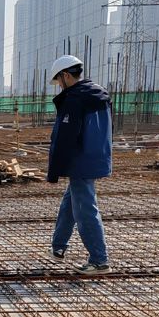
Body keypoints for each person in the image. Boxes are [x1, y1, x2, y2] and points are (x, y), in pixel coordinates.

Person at [46, 55, 112, 274]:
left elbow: (64, 138)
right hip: (96, 156)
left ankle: (99, 260)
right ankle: (58, 247)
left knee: (85, 210)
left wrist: (54, 171)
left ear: (66, 76)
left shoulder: (75, 99)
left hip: (80, 161)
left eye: (58, 81)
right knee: (70, 203)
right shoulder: (98, 93)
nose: (59, 86)